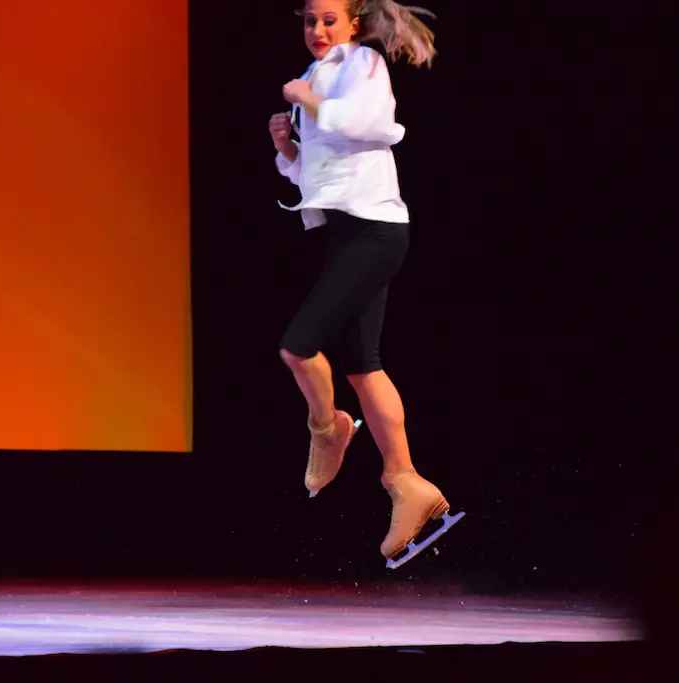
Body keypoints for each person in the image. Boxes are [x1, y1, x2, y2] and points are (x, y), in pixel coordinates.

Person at [268, 0, 462, 567]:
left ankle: (328, 429)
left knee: (298, 346)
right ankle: (407, 482)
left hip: (376, 232)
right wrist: (288, 150)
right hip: (347, 231)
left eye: (329, 20)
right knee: (361, 365)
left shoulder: (364, 65)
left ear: (354, 23)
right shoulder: (314, 75)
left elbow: (370, 126)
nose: (318, 30)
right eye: (310, 21)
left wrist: (311, 103)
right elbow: (322, 169)